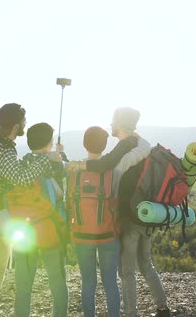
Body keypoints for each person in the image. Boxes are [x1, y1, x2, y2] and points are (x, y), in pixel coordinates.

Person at [67, 107, 171, 317]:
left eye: (113, 121)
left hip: (130, 218)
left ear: (120, 124)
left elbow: (106, 163)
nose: (111, 124)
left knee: (126, 271)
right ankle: (162, 306)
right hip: (147, 213)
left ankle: (131, 313)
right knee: (145, 262)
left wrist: (80, 165)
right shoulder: (140, 144)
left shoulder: (125, 147)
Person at [0, 104, 61, 317]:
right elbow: (23, 178)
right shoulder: (3, 149)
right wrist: (46, 159)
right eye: (24, 121)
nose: (25, 124)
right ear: (16, 125)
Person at [12, 122, 69, 317]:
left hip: (25, 229)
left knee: (23, 286)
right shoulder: (54, 163)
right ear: (49, 143)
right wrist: (62, 156)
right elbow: (66, 172)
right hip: (51, 229)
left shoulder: (22, 164)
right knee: (57, 282)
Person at [74, 126, 121, 317]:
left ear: (84, 144)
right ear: (105, 145)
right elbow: (117, 200)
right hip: (108, 234)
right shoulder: (113, 171)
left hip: (81, 233)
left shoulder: (74, 171)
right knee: (110, 282)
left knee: (88, 282)